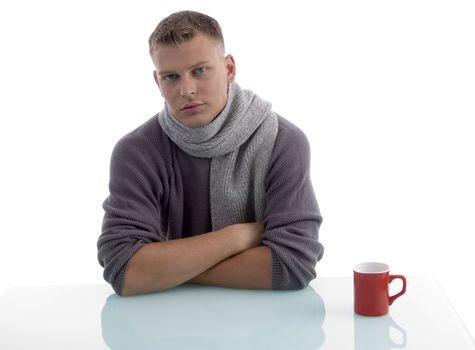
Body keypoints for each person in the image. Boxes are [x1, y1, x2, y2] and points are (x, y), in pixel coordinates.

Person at [97, 10, 324, 296]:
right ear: (157, 82)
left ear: (229, 68)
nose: (187, 90)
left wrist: (164, 270)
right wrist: (236, 237)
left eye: (200, 70)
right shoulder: (136, 152)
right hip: (166, 328)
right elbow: (123, 269)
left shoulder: (283, 141)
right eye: (171, 77)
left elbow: (294, 263)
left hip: (264, 331)